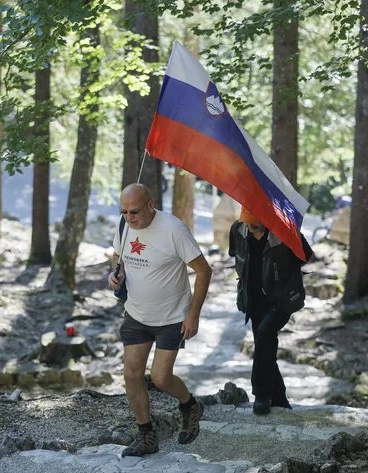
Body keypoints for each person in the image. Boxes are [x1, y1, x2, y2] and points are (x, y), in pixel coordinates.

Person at [108, 183, 212, 457]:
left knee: (161, 378)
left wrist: (193, 314)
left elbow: (204, 271)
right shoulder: (124, 225)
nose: (129, 217)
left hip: (171, 318)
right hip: (136, 313)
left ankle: (190, 405)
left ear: (150, 205)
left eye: (134, 211)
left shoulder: (174, 230)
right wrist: (115, 273)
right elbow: (118, 256)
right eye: (124, 212)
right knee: (131, 375)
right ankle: (147, 436)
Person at [228, 207, 313, 415]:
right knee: (265, 348)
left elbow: (306, 256)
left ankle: (261, 394)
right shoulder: (238, 230)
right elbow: (235, 254)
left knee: (265, 335)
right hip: (254, 300)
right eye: (247, 223)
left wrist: (293, 233)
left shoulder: (282, 232)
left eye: (255, 224)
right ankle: (280, 400)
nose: (250, 227)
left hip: (281, 300)